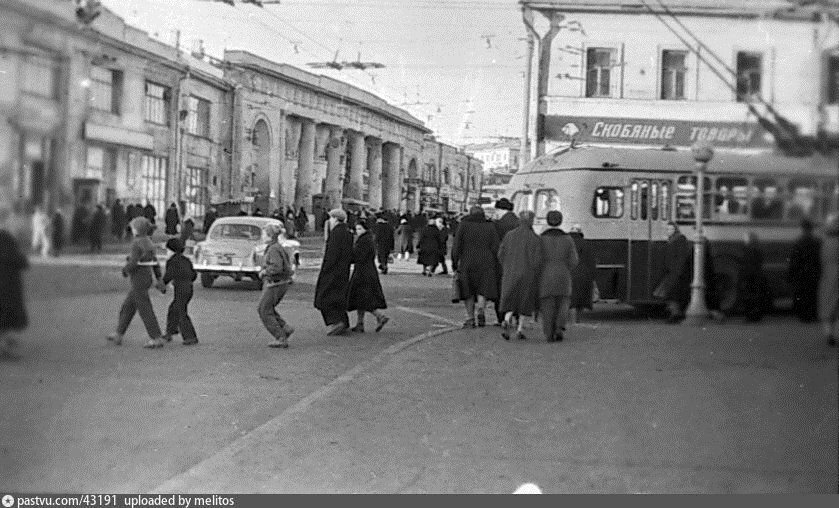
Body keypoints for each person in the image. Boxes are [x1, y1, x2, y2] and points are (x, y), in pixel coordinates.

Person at [107, 217, 166, 349]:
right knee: (128, 307)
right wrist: (159, 277)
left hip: (138, 278)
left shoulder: (136, 243)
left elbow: (133, 262)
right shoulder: (149, 242)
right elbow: (155, 262)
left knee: (145, 309)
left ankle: (156, 337)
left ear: (137, 229)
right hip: (146, 277)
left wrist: (125, 270)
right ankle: (119, 333)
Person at [451, 206, 500, 328]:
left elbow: (456, 245)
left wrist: (454, 262)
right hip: (486, 261)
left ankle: (470, 318)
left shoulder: (464, 225)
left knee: (468, 290)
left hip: (467, 261)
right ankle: (481, 310)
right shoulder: (490, 226)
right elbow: (496, 247)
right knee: (482, 289)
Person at [498, 211, 543, 341]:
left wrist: (506, 266)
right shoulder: (535, 238)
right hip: (527, 274)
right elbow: (537, 260)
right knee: (524, 303)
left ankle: (507, 319)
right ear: (531, 221)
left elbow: (501, 254)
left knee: (510, 300)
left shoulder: (509, 235)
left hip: (510, 272)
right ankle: (519, 329)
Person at [537, 210, 579, 342]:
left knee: (547, 303)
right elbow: (574, 260)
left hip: (545, 275)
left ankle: (548, 331)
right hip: (563, 274)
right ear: (560, 221)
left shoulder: (541, 239)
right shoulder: (568, 239)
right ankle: (559, 327)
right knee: (563, 302)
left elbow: (536, 259)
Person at [314, 209, 353, 336]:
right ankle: (343, 321)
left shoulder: (336, 233)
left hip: (332, 270)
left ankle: (335, 321)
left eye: (331, 218)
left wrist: (326, 269)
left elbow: (332, 255)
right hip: (343, 270)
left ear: (335, 219)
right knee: (338, 297)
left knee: (324, 297)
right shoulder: (347, 232)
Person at [347, 221, 390, 333]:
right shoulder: (368, 239)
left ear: (365, 229)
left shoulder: (364, 241)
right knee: (360, 298)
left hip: (363, 272)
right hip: (367, 271)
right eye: (357, 229)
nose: (358, 231)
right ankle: (360, 324)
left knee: (363, 298)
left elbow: (357, 256)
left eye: (360, 228)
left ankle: (380, 316)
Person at [258, 223, 295, 348]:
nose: (262, 236)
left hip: (275, 283)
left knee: (263, 310)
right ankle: (285, 327)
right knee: (268, 308)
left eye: (264, 234)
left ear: (269, 236)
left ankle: (280, 336)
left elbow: (276, 267)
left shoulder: (273, 249)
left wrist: (265, 271)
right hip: (280, 283)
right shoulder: (276, 246)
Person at [0, 208, 29, 357]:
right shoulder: (5, 237)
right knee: (6, 314)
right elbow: (17, 260)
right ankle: (4, 348)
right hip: (7, 285)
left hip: (5, 284)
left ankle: (5, 341)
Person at [161, 238, 198, 346]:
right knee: (174, 308)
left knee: (181, 312)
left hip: (180, 288)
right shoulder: (186, 260)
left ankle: (190, 337)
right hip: (189, 288)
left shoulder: (172, 261)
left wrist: (162, 285)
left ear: (171, 250)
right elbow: (193, 275)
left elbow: (168, 275)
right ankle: (170, 331)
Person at [656, 222, 692, 323]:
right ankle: (675, 313)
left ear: (675, 230)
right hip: (672, 271)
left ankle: (675, 314)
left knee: (672, 294)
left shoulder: (679, 239)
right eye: (667, 229)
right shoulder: (672, 240)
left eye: (671, 229)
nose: (669, 231)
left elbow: (681, 257)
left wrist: (676, 270)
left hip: (676, 272)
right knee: (669, 294)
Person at [788, 219, 821, 323]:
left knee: (802, 295)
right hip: (814, 273)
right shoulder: (817, 242)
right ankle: (813, 315)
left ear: (803, 229)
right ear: (811, 229)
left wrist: (791, 275)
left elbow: (794, 260)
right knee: (813, 294)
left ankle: (804, 316)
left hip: (801, 274)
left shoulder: (798, 242)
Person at [493, 198, 519, 325]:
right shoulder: (519, 222)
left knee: (501, 290)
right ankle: (516, 316)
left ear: (500, 209)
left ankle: (502, 318)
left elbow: (497, 245)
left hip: (502, 262)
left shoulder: (499, 224)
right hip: (518, 262)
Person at [739, 231, 769, 322]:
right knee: (756, 296)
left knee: (749, 296)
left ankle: (750, 316)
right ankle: (756, 316)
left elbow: (745, 264)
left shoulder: (747, 249)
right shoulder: (758, 249)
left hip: (749, 276)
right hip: (757, 275)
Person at [568, 224, 596, 324]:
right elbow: (591, 262)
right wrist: (593, 277)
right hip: (584, 275)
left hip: (570, 273)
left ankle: (572, 320)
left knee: (571, 300)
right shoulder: (586, 244)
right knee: (580, 300)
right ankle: (578, 319)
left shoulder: (567, 242)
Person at [819, 214, 839, 346]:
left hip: (828, 276)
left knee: (827, 304)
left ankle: (829, 334)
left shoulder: (825, 243)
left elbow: (823, 260)